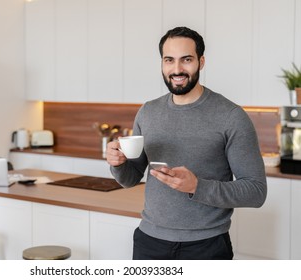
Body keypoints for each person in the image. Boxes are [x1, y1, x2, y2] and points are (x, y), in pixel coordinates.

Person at [106, 26, 267, 260]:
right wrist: (118, 163)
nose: (177, 69)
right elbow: (130, 179)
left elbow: (256, 192)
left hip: (206, 246)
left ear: (201, 62)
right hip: (149, 242)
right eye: (169, 60)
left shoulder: (231, 116)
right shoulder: (148, 112)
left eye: (187, 60)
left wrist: (196, 187)